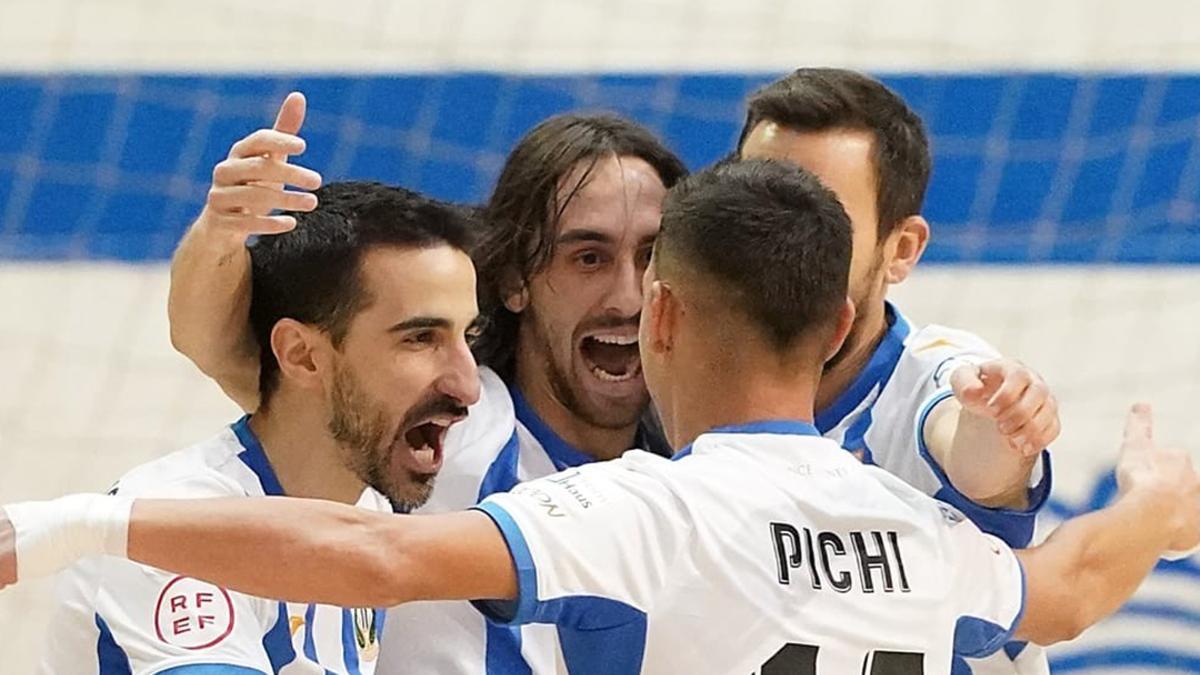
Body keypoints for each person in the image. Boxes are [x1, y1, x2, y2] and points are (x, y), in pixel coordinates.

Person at [3, 161, 1198, 675]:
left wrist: (75, 524)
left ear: (664, 317)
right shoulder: (931, 541)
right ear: (838, 325)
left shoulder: (649, 513)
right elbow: (1079, 585)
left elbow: (368, 557)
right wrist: (1153, 501)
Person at [166, 93, 688, 672]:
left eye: (652, 256)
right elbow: (217, 342)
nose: (628, 297)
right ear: (516, 279)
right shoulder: (445, 426)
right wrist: (222, 231)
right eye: (588, 258)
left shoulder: (693, 474)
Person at [30, 182, 481, 674]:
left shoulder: (368, 509)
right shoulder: (176, 524)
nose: (468, 385)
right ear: (302, 356)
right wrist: (217, 235)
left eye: (469, 336)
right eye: (420, 338)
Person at [735, 68, 1059, 671]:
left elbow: (975, 452)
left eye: (821, 222)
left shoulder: (933, 381)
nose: (779, 247)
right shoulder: (688, 380)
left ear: (902, 249)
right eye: (760, 209)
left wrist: (1001, 418)